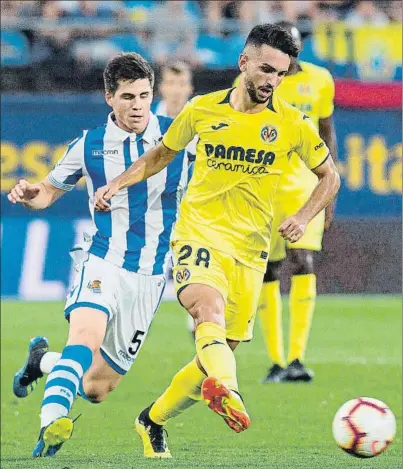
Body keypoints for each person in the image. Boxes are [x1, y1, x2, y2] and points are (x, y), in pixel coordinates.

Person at [94, 23, 340, 459]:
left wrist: (303, 217)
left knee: (219, 350)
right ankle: (230, 392)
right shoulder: (202, 109)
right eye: (265, 69)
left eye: (280, 74)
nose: (271, 81)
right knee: (205, 309)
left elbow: (330, 177)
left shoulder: (291, 123)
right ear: (244, 62)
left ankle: (152, 419)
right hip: (198, 232)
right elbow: (162, 153)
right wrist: (118, 183)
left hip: (251, 249)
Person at [9, 52, 191, 458]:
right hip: (103, 260)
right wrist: (29, 194)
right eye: (128, 96)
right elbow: (49, 191)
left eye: (144, 95)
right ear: (109, 96)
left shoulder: (178, 138)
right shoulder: (89, 145)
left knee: (96, 388)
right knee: (85, 338)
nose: (138, 105)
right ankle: (51, 420)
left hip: (147, 278)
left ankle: (42, 362)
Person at [256, 21, 338, 384]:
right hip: (266, 183)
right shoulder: (264, 80)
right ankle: (276, 359)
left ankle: (297, 357)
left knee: (302, 260)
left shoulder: (320, 80)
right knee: (268, 269)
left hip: (305, 182)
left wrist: (330, 194)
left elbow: (327, 131)